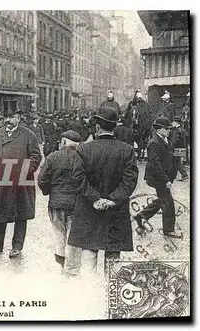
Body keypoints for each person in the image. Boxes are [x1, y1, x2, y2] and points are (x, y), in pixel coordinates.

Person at [68, 107, 138, 276]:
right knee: (113, 258)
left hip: (89, 210)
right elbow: (130, 181)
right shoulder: (127, 150)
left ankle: (88, 296)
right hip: (116, 211)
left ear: (98, 127)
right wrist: (112, 199)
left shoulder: (84, 149)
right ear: (115, 127)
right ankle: (108, 297)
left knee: (89, 255)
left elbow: (78, 179)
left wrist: (95, 199)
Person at [0, 100, 42, 258]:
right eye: (5, 117)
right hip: (0, 182)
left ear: (19, 118)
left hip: (20, 183)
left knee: (20, 216)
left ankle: (17, 246)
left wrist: (23, 171)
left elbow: (36, 157)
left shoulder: (29, 135)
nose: (8, 120)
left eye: (11, 117)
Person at [38, 130, 83, 276]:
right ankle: (72, 269)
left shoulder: (53, 157)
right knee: (73, 235)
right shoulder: (82, 158)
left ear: (63, 142)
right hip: (76, 203)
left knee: (59, 233)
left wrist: (48, 191)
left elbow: (42, 179)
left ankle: (61, 261)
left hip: (56, 203)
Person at [133, 117, 183, 239]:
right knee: (168, 202)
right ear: (159, 130)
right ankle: (168, 230)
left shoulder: (164, 139)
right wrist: (165, 180)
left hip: (163, 176)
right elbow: (156, 165)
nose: (169, 131)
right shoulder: (154, 143)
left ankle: (141, 215)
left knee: (162, 200)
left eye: (169, 129)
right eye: (166, 129)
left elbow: (172, 153)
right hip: (158, 178)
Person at [171, 116, 188, 182]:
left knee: (177, 162)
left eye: (173, 121)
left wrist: (171, 147)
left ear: (176, 122)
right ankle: (174, 175)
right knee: (176, 161)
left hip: (177, 148)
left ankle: (184, 175)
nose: (172, 123)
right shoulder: (182, 129)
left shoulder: (176, 130)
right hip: (182, 147)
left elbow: (175, 140)